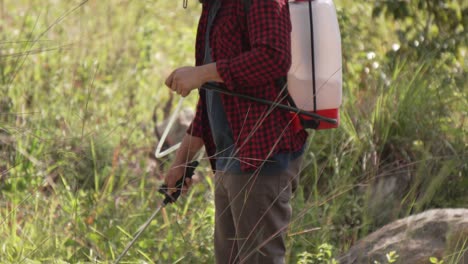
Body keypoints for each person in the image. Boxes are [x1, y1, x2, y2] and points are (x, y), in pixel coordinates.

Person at [164, 0, 308, 263]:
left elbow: (274, 57)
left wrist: (202, 73)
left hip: (262, 156)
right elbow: (213, 95)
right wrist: (181, 160)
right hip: (229, 159)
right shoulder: (213, 7)